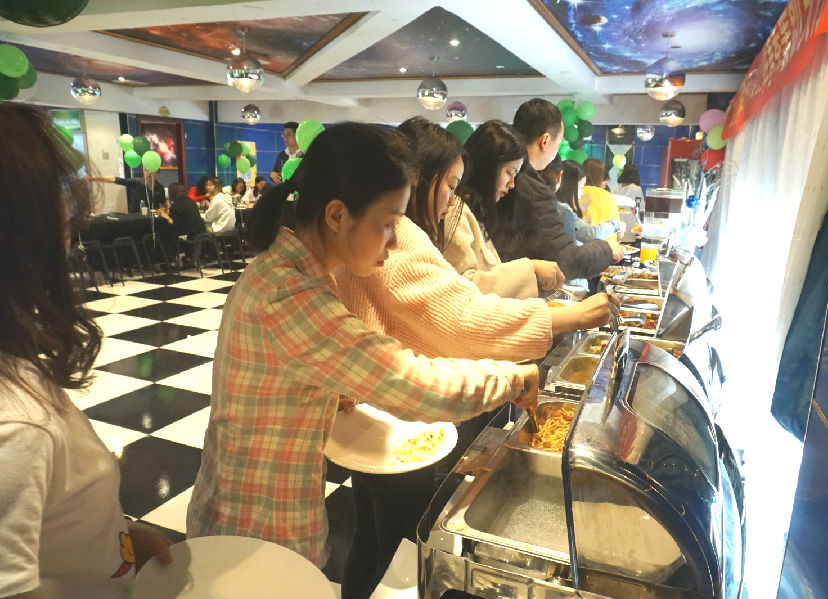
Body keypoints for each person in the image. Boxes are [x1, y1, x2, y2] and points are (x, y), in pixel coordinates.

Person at [186, 122, 540, 574]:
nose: (394, 242)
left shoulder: (285, 271)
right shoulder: (290, 296)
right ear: (337, 216)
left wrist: (327, 390)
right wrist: (514, 377)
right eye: (389, 224)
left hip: (247, 519)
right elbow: (413, 383)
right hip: (257, 540)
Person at [334, 118, 620, 599]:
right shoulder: (399, 233)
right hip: (400, 416)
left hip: (374, 411)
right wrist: (565, 318)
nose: (452, 200)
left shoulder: (382, 229)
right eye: (449, 185)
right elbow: (460, 315)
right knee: (400, 547)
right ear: (418, 179)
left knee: (374, 537)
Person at [0, 104, 173, 598]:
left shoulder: (16, 366)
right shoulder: (16, 427)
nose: (69, 226)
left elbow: (46, 518)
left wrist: (115, 538)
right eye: (52, 201)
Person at [493, 98, 623, 278]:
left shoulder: (497, 174)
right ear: (545, 140)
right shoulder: (532, 189)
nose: (510, 183)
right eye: (559, 141)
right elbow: (567, 260)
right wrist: (607, 249)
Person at [446, 119, 564, 298]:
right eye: (509, 172)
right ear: (487, 167)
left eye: (515, 175)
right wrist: (531, 267)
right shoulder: (455, 211)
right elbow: (464, 286)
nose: (511, 184)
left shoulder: (479, 214)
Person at [557, 160, 623, 243]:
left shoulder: (556, 206)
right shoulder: (563, 210)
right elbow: (590, 234)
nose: (582, 194)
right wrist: (617, 225)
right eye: (580, 188)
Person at [85, 170, 165, 213]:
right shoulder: (138, 182)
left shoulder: (160, 188)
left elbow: (164, 202)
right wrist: (94, 178)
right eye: (147, 170)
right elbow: (116, 179)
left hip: (154, 219)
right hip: (136, 217)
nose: (149, 173)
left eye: (152, 171)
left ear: (157, 174)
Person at [580, 158, 624, 236]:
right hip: (605, 242)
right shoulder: (607, 196)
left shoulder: (576, 193)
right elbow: (618, 232)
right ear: (601, 176)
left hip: (579, 241)